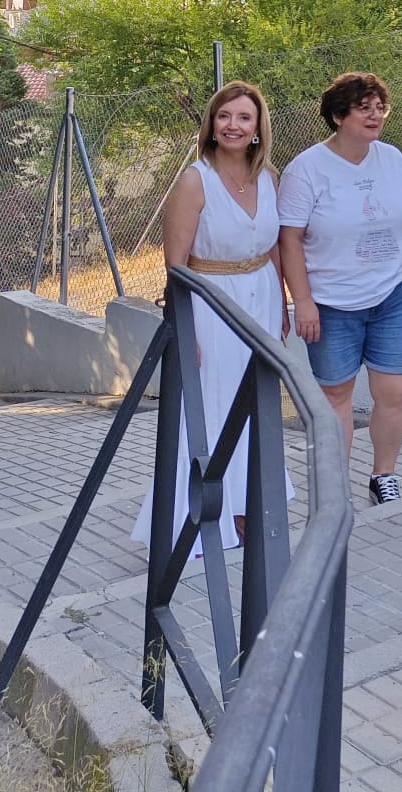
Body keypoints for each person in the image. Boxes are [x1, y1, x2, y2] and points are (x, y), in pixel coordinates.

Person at [132, 79, 292, 557]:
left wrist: (282, 303)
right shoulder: (193, 180)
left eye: (244, 117)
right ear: (211, 124)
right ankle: (203, 516)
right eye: (225, 116)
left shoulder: (269, 177)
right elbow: (176, 263)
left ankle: (248, 507)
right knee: (214, 405)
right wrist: (186, 326)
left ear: (258, 127)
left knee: (257, 403)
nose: (233, 125)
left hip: (260, 297)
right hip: (210, 301)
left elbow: (275, 245)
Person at [278, 72, 402, 505]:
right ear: (339, 115)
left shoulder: (393, 159)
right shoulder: (306, 170)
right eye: (365, 107)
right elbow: (289, 239)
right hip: (331, 304)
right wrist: (301, 301)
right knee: (335, 396)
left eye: (380, 106)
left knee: (395, 392)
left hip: (391, 295)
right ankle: (334, 487)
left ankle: (384, 475)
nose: (375, 114)